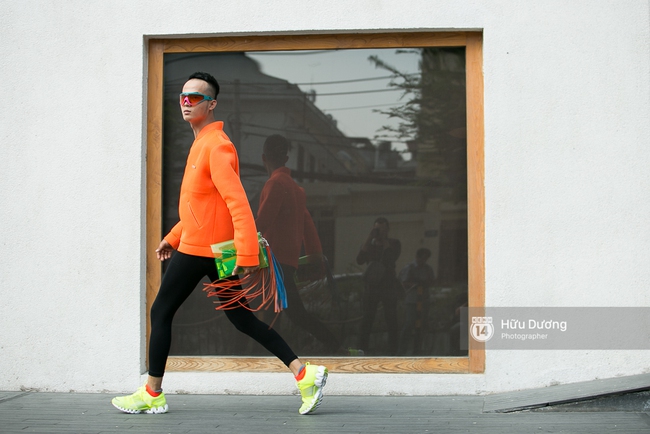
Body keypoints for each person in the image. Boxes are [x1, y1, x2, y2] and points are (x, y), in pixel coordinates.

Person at [111, 72, 327, 415]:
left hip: (203, 252)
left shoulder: (217, 145)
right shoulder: (201, 144)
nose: (186, 102)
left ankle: (152, 394)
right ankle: (304, 374)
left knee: (160, 311)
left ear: (211, 105)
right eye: (183, 96)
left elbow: (237, 203)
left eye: (195, 97)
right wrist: (172, 237)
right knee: (242, 320)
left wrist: (245, 254)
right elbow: (203, 209)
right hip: (209, 249)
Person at [255, 134, 340, 352]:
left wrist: (234, 247)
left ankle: (334, 346)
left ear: (264, 158)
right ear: (286, 157)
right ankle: (334, 345)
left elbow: (260, 225)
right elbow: (308, 227)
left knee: (275, 314)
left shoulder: (274, 184)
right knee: (289, 313)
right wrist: (316, 259)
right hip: (288, 263)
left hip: (272, 262)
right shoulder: (296, 189)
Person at [356, 217, 401, 355]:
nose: (379, 231)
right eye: (377, 228)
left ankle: (393, 350)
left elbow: (391, 258)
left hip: (388, 286)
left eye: (382, 228)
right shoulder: (370, 244)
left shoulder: (394, 243)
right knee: (367, 318)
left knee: (391, 318)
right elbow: (359, 260)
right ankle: (363, 349)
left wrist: (385, 241)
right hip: (372, 286)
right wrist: (370, 237)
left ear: (388, 229)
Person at [397, 248, 435, 356]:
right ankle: (401, 352)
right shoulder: (409, 268)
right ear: (418, 257)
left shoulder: (428, 269)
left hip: (424, 300)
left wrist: (425, 283)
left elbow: (432, 281)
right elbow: (403, 282)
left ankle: (417, 351)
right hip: (412, 301)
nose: (424, 261)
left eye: (426, 258)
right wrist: (416, 284)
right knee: (409, 324)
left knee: (421, 326)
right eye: (423, 258)